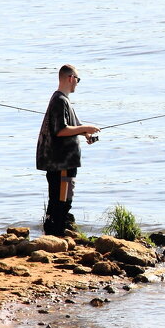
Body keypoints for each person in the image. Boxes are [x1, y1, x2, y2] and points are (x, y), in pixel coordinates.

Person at [36, 64, 100, 236]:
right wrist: (86, 127)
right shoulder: (59, 100)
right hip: (61, 162)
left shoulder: (62, 100)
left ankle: (53, 234)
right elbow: (61, 130)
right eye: (77, 80)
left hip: (63, 161)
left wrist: (85, 132)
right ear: (70, 78)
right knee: (61, 201)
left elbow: (73, 125)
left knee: (61, 200)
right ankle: (54, 235)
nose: (77, 83)